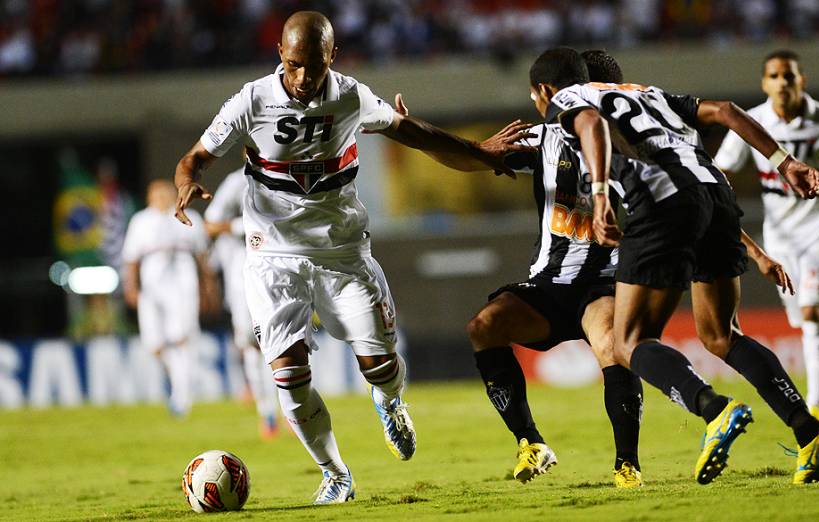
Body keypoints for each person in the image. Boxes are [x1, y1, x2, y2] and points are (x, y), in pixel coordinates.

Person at [172, 11, 529, 505]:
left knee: (379, 364)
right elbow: (193, 158)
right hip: (273, 255)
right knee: (289, 372)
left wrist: (480, 152)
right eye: (294, 65)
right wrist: (187, 181)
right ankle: (335, 473)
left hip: (343, 252)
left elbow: (416, 133)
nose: (302, 78)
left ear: (331, 58)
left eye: (313, 66)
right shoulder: (251, 101)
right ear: (280, 53)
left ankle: (388, 400)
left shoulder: (350, 95)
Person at [394, 50, 793, 490]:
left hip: (607, 280)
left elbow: (691, 197)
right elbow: (473, 157)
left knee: (613, 344)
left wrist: (754, 252)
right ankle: (531, 443)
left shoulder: (636, 142)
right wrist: (415, 135)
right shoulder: (547, 137)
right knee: (484, 326)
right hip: (549, 282)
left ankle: (628, 465)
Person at [531, 47, 819, 485]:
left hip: (660, 205)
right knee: (722, 335)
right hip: (716, 196)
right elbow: (726, 111)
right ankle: (812, 435)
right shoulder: (651, 95)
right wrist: (785, 163)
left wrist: (600, 194)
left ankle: (713, 408)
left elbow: (590, 124)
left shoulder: (570, 100)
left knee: (629, 342)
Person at [714, 49, 819, 438]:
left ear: (802, 80)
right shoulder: (755, 123)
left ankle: (817, 408)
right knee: (808, 323)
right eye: (775, 76)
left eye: (789, 76)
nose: (782, 82)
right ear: (764, 83)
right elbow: (719, 172)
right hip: (780, 235)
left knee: (813, 315)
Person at [122, 179, 213, 417]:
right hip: (151, 282)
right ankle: (177, 379)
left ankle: (181, 398)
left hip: (182, 280)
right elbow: (131, 258)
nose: (162, 197)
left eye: (166, 193)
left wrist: (208, 288)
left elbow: (203, 257)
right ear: (149, 197)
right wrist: (130, 287)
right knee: (153, 343)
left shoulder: (189, 217)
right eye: (157, 193)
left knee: (181, 337)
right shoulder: (140, 221)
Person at [204, 167, 280, 440]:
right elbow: (210, 223)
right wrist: (243, 227)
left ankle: (294, 411)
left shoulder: (290, 174)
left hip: (283, 268)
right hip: (243, 271)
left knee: (290, 339)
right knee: (251, 341)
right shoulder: (237, 182)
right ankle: (267, 412)